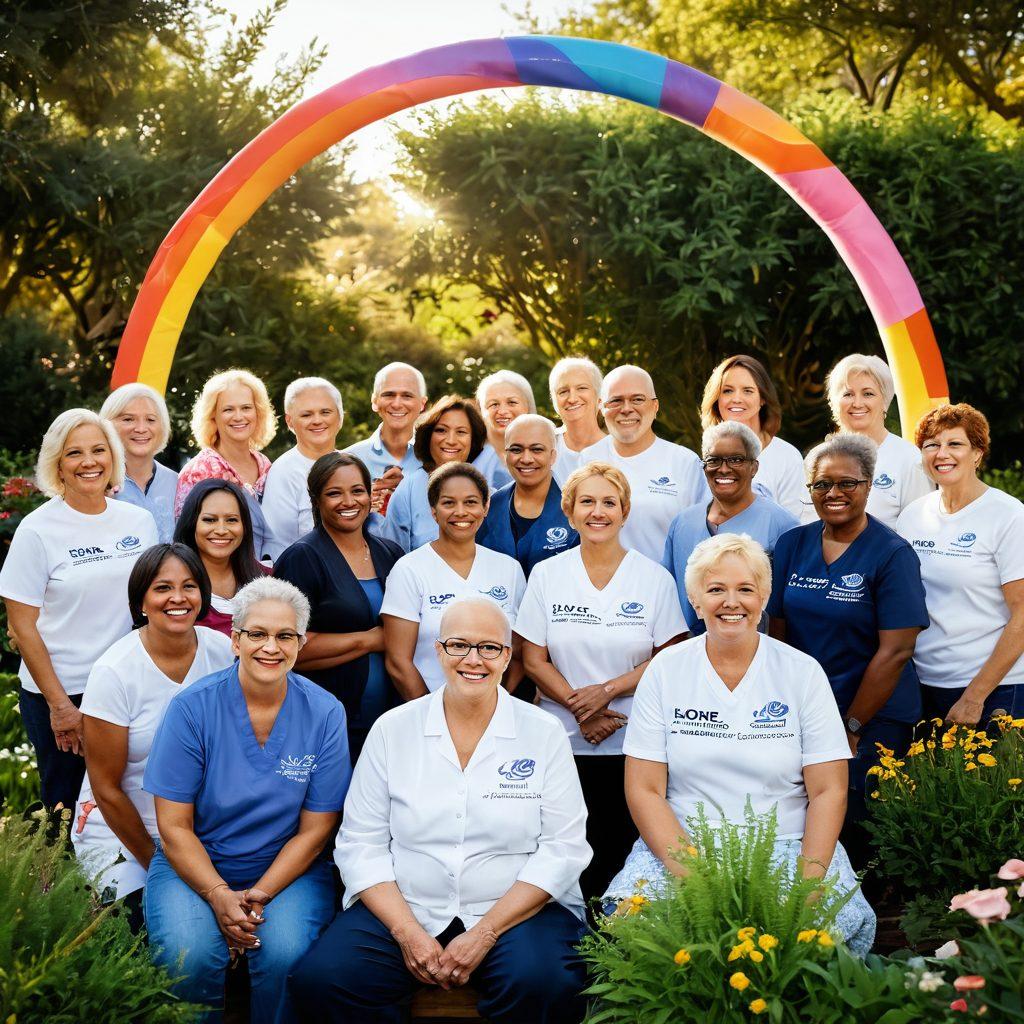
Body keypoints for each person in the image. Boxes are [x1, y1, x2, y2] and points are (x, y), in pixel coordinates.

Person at [290, 598, 591, 1024]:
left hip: (515, 911)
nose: (473, 660)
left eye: (488, 648)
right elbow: (360, 843)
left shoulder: (543, 733)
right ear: (437, 650)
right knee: (324, 980)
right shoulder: (393, 729)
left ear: (507, 656)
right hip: (409, 905)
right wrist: (407, 933)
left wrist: (485, 932)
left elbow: (563, 848)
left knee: (545, 982)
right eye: (458, 645)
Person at [604, 534, 875, 955]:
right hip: (684, 847)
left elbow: (828, 790)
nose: (732, 602)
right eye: (716, 590)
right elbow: (644, 789)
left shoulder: (802, 672)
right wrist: (696, 881)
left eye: (745, 589)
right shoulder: (666, 670)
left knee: (805, 946)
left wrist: (806, 886)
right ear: (695, 601)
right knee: (644, 937)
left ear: (764, 597)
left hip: (789, 845)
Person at [143, 577, 351, 1024]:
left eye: (285, 635)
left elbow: (317, 830)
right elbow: (173, 826)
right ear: (235, 640)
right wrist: (218, 894)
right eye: (256, 634)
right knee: (189, 956)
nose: (270, 647)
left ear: (301, 642)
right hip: (194, 865)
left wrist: (260, 894)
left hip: (286, 871)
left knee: (286, 956)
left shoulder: (325, 712)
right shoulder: (192, 708)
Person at [517, 462, 686, 900]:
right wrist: (581, 709)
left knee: (623, 853)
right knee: (567, 855)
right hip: (561, 743)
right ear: (569, 511)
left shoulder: (653, 579)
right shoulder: (548, 575)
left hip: (633, 744)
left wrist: (606, 692)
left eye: (609, 502)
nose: (598, 512)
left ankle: (622, 950)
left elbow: (669, 658)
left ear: (625, 512)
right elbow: (533, 659)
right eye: (586, 502)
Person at [768, 434, 928, 833]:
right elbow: (777, 636)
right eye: (822, 484)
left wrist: (851, 727)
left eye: (846, 483)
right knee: (800, 820)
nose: (833, 492)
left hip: (873, 717)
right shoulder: (791, 545)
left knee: (860, 826)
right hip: (807, 711)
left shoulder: (892, 554)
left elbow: (896, 651)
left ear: (868, 485)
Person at [0, 409, 157, 811]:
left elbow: (149, 605)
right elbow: (22, 627)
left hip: (127, 686)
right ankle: (57, 877)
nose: (89, 462)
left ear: (113, 457)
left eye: (99, 450)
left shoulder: (138, 522)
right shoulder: (37, 531)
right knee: (67, 807)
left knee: (131, 797)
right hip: (64, 690)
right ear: (58, 464)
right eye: (74, 453)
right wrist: (61, 707)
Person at [73, 544, 233, 920]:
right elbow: (106, 790)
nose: (178, 598)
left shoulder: (224, 651)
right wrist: (159, 866)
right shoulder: (114, 672)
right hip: (127, 833)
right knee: (151, 931)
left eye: (189, 586)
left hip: (199, 829)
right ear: (141, 601)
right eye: (162, 588)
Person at [897, 403, 1024, 723]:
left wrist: (975, 696)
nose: (942, 454)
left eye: (955, 444)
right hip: (926, 685)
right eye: (932, 445)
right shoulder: (913, 516)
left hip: (996, 690)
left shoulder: (1008, 516)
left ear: (978, 453)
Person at [274, 453, 405, 759]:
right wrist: (371, 640)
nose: (349, 501)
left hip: (392, 722)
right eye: (334, 493)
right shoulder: (301, 558)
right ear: (316, 499)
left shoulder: (392, 554)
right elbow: (286, 648)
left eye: (357, 491)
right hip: (330, 725)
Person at [382, 463, 526, 698]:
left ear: (486, 506)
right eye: (449, 503)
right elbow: (398, 663)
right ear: (433, 510)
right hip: (429, 715)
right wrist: (435, 715)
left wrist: (495, 706)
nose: (461, 512)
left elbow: (519, 652)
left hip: (493, 715)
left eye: (470, 502)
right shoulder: (409, 569)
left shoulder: (509, 569)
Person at [663, 422, 797, 632]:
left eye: (736, 460)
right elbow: (667, 597)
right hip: (690, 653)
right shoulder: (683, 524)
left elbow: (789, 609)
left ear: (754, 467)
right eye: (714, 460)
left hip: (754, 652)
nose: (724, 469)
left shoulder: (783, 526)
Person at [579, 365, 707, 561]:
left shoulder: (685, 462)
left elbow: (701, 539)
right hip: (602, 587)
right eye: (615, 401)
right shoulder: (588, 459)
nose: (627, 409)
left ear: (655, 406)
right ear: (601, 407)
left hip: (665, 587)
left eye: (637, 399)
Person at [174, 369, 277, 560]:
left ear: (258, 412)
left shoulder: (265, 465)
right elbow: (185, 541)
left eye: (246, 408)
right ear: (213, 416)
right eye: (228, 409)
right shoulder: (199, 471)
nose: (238, 417)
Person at [827, 354, 933, 527]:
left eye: (868, 394)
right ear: (834, 403)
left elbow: (920, 531)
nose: (857, 403)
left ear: (885, 401)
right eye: (848, 394)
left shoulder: (909, 459)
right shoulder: (819, 458)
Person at [375, 396, 487, 553]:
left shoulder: (486, 490)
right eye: (441, 430)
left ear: (473, 440)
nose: (451, 440)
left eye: (461, 432)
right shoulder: (408, 490)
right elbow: (391, 554)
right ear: (428, 436)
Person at [701, 354, 807, 520]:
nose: (736, 399)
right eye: (727, 391)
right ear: (716, 398)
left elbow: (794, 526)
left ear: (763, 398)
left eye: (747, 391)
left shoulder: (787, 457)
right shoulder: (703, 458)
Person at [477, 414, 579, 579]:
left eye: (536, 449)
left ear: (553, 455)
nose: (526, 459)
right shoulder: (489, 508)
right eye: (516, 450)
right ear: (506, 455)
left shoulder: (575, 510)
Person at [261, 377, 343, 560]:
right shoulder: (283, 472)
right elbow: (279, 545)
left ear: (339, 416)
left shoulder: (352, 465)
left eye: (325, 412)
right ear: (290, 422)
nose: (317, 420)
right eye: (306, 415)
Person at [173, 479, 267, 636]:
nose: (222, 530)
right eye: (210, 520)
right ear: (191, 523)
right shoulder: (172, 588)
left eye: (231, 520)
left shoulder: (268, 580)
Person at [100, 383, 179, 543]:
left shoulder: (177, 482)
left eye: (150, 419)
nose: (141, 428)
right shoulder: (98, 483)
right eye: (128, 419)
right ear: (107, 424)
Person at [344, 361, 427, 513]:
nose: (396, 404)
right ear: (375, 402)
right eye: (389, 395)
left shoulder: (436, 459)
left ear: (422, 404)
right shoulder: (348, 460)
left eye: (407, 396)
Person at [474, 370, 536, 489]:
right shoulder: (470, 458)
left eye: (512, 402)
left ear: (528, 406)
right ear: (482, 411)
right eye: (494, 404)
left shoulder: (551, 451)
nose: (502, 411)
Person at [548, 356, 605, 486]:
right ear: (554, 401)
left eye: (582, 388)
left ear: (599, 396)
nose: (572, 398)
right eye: (563, 391)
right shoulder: (544, 445)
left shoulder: (618, 449)